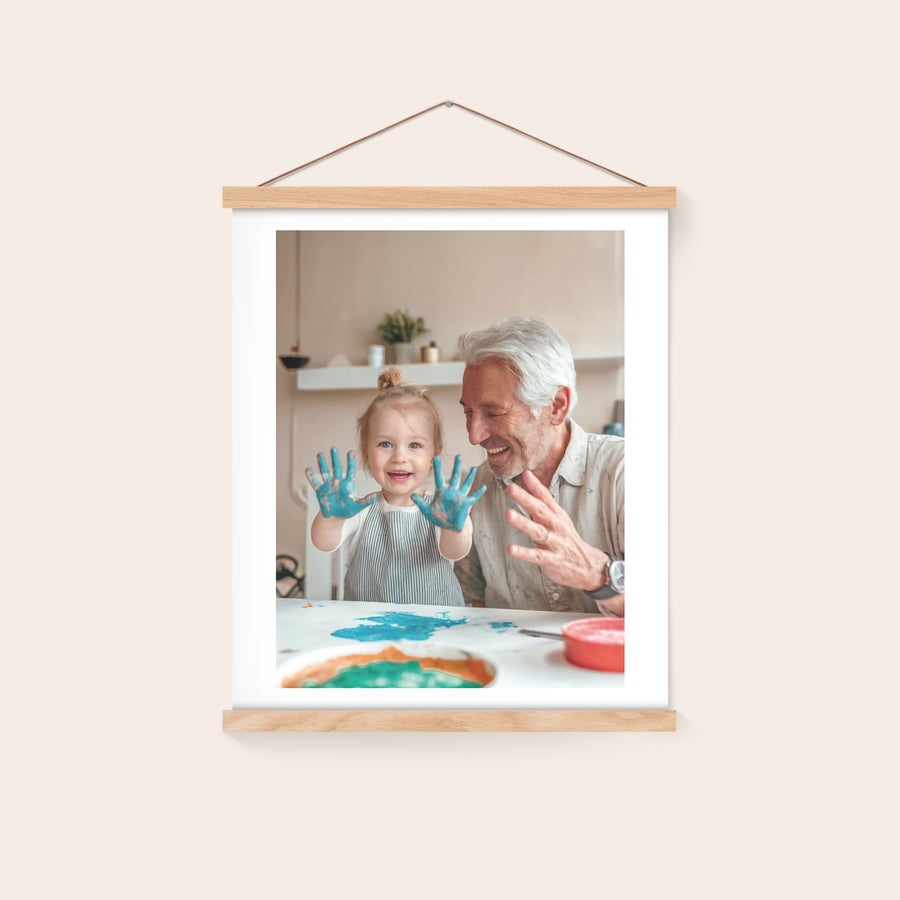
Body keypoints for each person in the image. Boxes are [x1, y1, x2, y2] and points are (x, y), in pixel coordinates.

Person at [454, 316, 625, 616]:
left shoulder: (625, 471)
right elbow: (467, 603)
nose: (474, 435)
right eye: (468, 412)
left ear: (557, 406)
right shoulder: (475, 490)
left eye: (494, 412)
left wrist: (598, 575)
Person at [306, 368, 485, 606]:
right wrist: (332, 518)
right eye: (385, 444)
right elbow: (323, 542)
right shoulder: (359, 510)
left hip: (435, 627)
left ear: (434, 455)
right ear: (366, 454)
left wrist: (454, 527)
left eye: (414, 445)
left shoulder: (444, 510)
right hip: (367, 626)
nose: (399, 457)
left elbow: (455, 552)